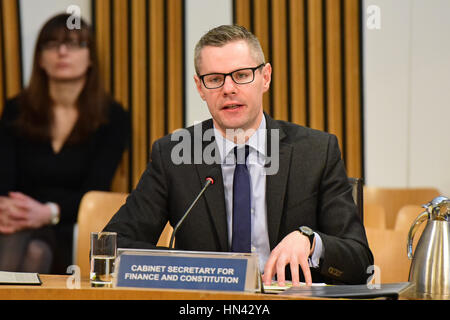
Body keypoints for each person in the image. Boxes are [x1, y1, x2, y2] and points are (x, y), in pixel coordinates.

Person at [104, 25, 373, 285]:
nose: (229, 89)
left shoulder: (315, 152)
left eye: (242, 75)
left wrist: (311, 241)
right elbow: (112, 244)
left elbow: (360, 262)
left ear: (265, 77)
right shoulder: (174, 155)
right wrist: (191, 267)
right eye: (215, 79)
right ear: (200, 87)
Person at [0, 13, 130, 274]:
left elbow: (96, 189)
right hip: (15, 223)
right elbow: (4, 179)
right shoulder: (16, 109)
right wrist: (13, 210)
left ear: (90, 57)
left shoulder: (113, 117)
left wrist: (48, 212)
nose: (62, 52)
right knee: (27, 245)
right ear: (39, 57)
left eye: (73, 44)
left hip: (71, 227)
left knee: (36, 250)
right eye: (51, 44)